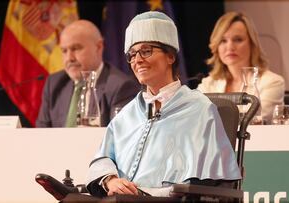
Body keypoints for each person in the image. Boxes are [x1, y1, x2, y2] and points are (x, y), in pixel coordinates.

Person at [86, 11, 241, 197]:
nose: (137, 60)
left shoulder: (200, 109)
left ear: (171, 56)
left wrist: (146, 194)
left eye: (146, 51)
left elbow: (206, 181)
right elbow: (103, 158)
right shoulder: (126, 115)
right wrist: (110, 180)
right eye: (132, 54)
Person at [36, 20, 140, 127]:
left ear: (98, 47)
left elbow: (120, 136)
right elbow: (41, 133)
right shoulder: (54, 84)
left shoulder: (120, 87)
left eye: (76, 48)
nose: (69, 58)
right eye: (64, 51)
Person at [197, 11, 285, 123]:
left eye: (238, 39)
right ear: (216, 46)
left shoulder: (272, 82)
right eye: (223, 41)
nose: (230, 47)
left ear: (252, 44)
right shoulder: (208, 84)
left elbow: (253, 118)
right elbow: (196, 117)